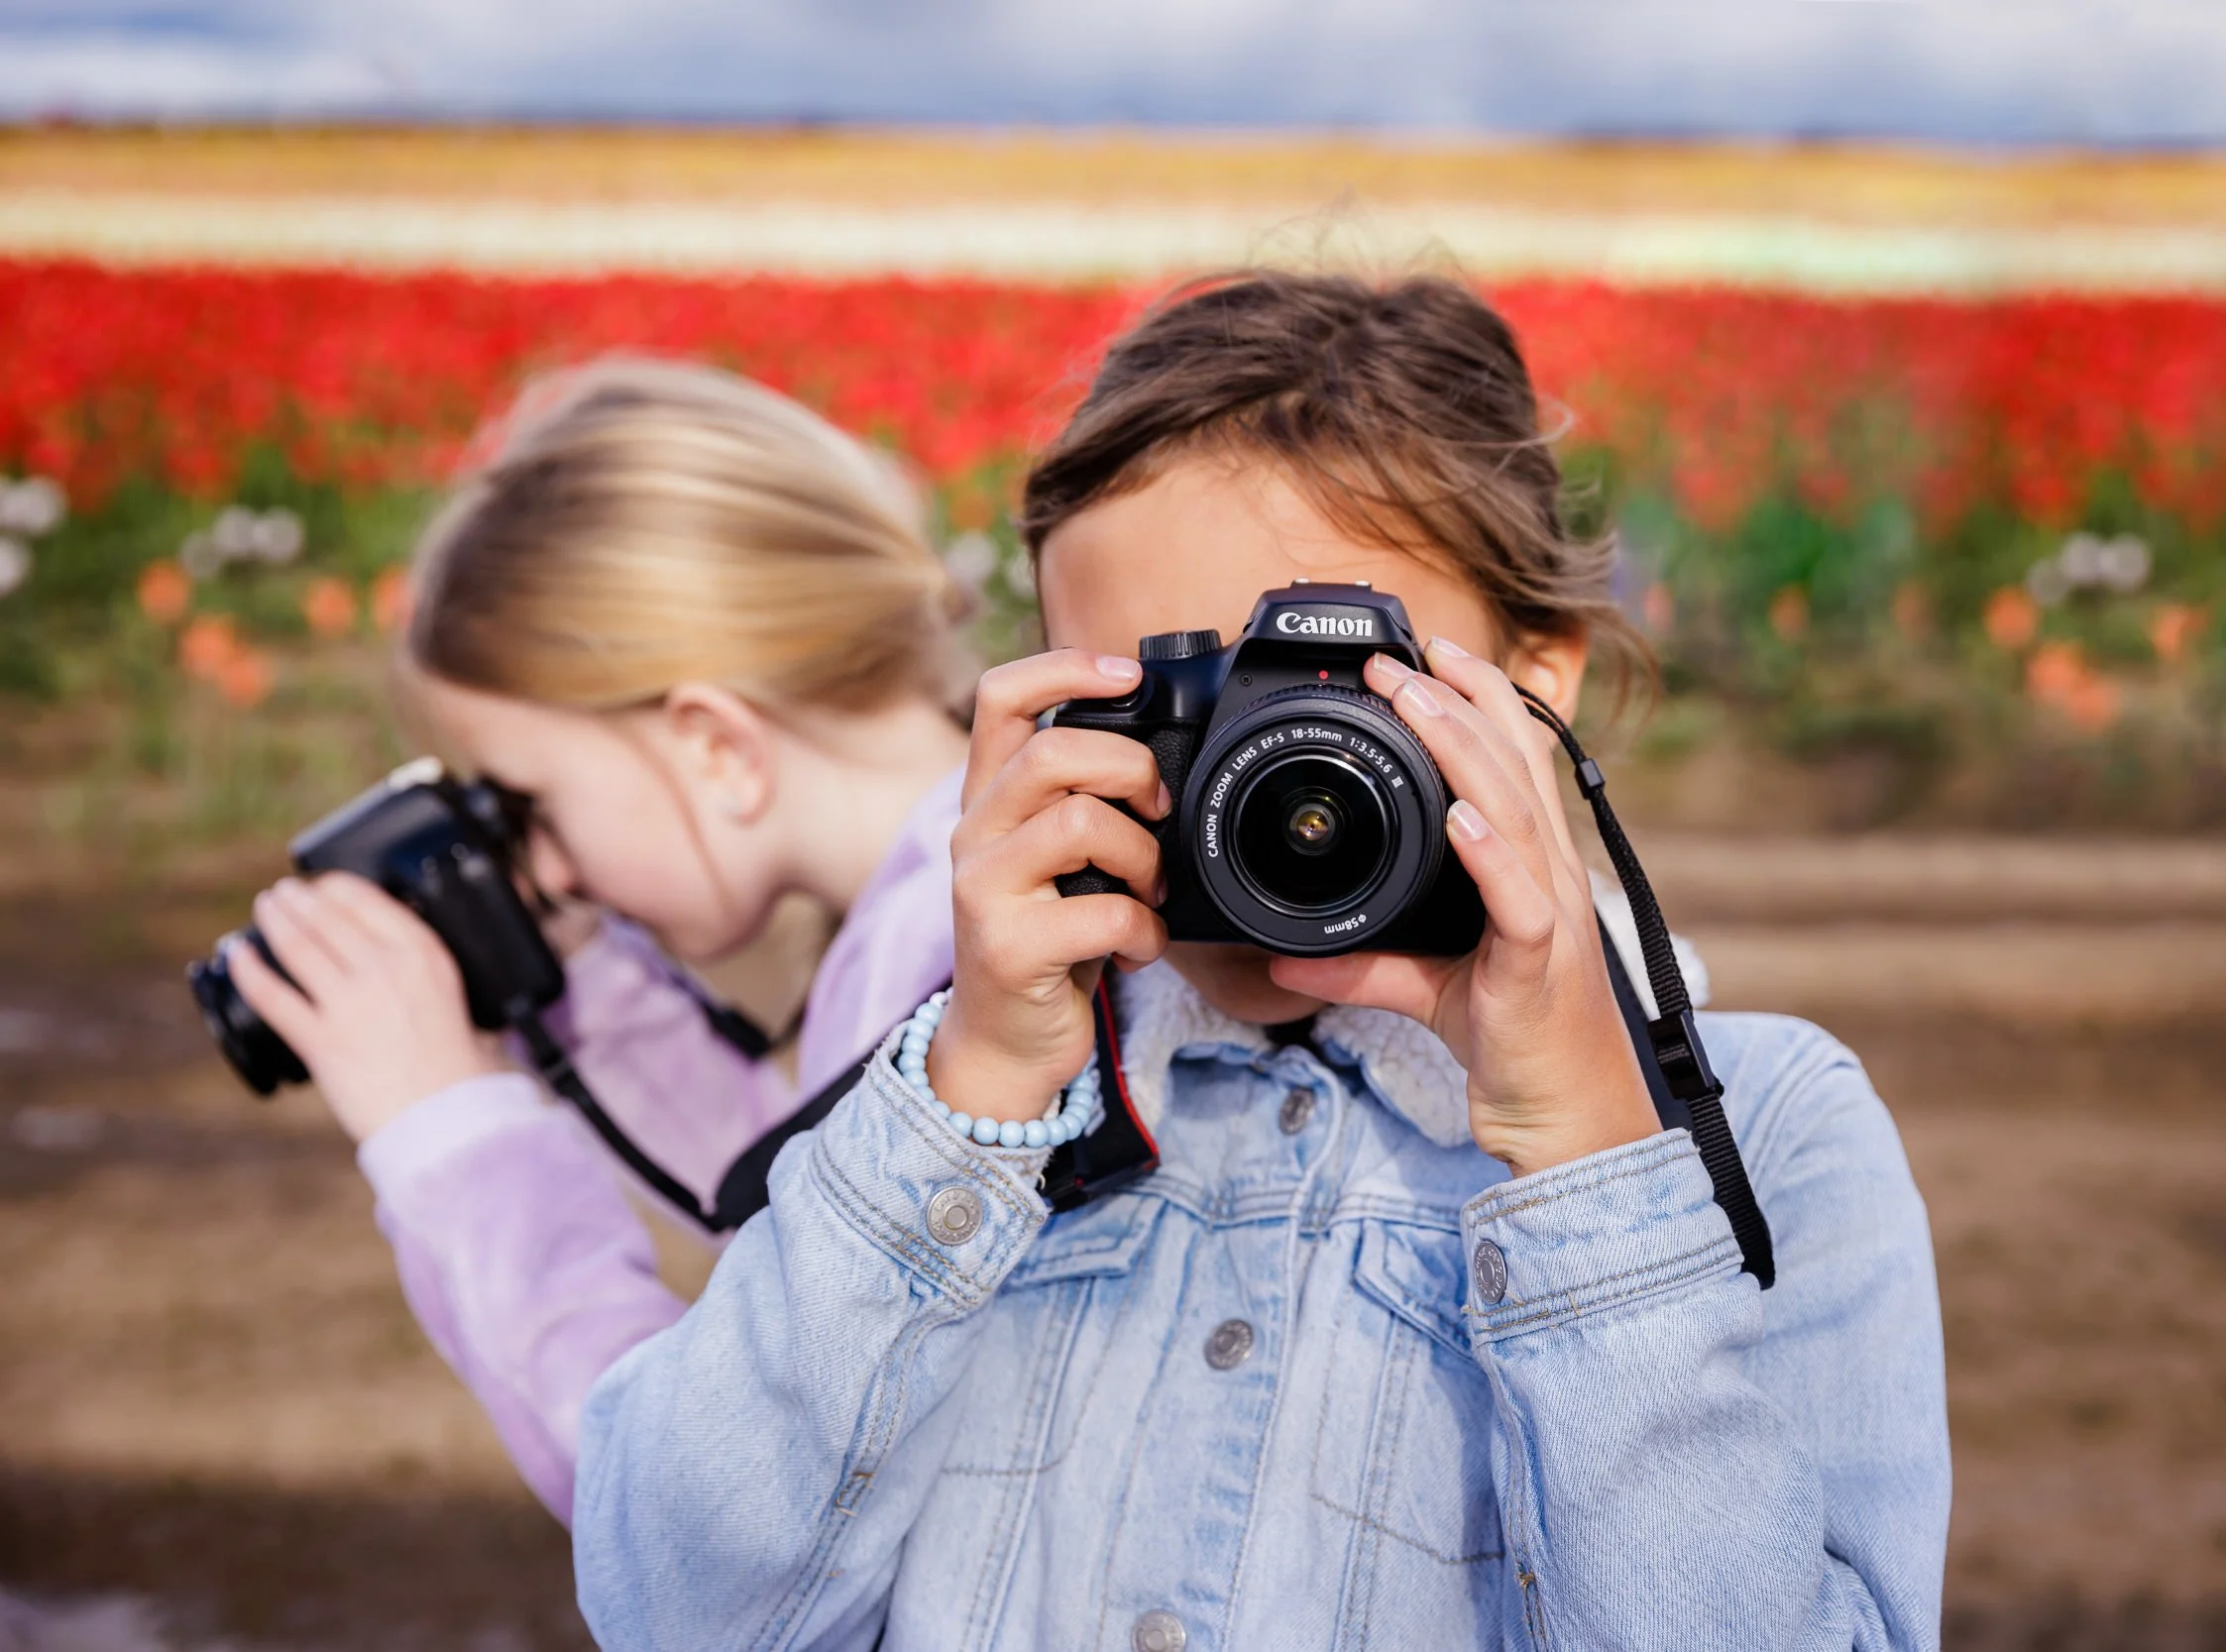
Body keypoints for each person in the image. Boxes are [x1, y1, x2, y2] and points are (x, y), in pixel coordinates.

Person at [573, 274, 1949, 1649]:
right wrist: (974, 1091)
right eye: (1188, 695)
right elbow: (672, 1611)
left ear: (1542, 680)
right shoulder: (973, 1114)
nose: (1269, 764)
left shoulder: (1765, 1133)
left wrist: (1592, 1156)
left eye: (1341, 695)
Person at [223, 359, 973, 1524]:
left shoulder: (971, 978)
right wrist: (567, 977)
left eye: (539, 807)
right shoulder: (969, 896)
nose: (552, 868)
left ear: (715, 745)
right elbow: (791, 1199)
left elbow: (716, 1511)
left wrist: (449, 1131)